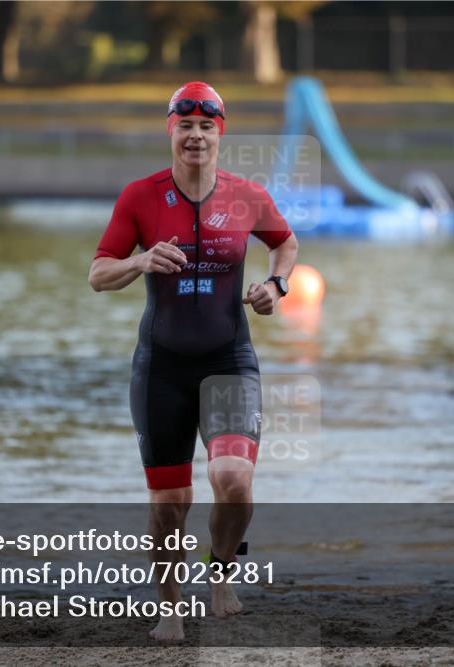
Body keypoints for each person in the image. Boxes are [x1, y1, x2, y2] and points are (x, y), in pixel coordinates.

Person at [88, 81, 299, 641]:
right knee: (170, 505)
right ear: (171, 132)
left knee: (233, 480)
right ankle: (170, 608)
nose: (196, 136)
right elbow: (98, 274)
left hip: (229, 358)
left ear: (220, 134)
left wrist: (275, 286)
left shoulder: (246, 196)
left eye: (207, 127)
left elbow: (286, 243)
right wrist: (140, 261)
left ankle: (220, 572)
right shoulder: (140, 197)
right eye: (185, 126)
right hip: (161, 368)